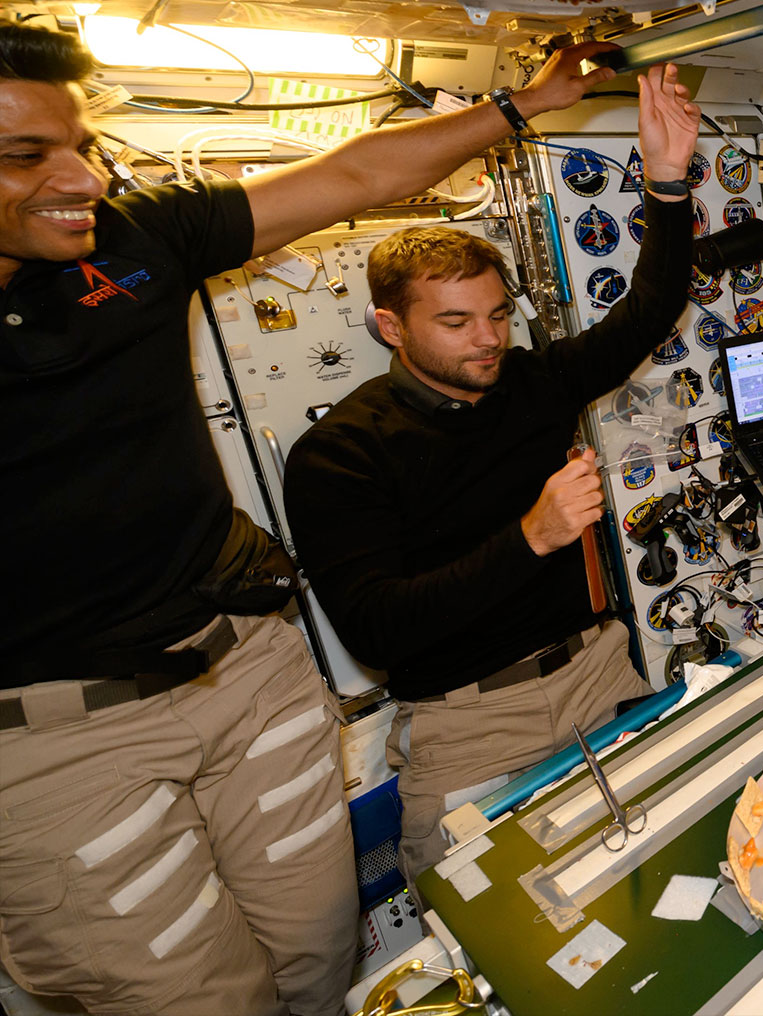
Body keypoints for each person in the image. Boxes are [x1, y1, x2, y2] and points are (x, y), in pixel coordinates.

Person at [0, 19, 615, 1013]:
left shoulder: (134, 241)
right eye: (26, 156)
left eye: (83, 146)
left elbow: (353, 177)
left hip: (244, 668)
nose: (80, 181)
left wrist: (521, 105)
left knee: (321, 961)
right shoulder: (351, 453)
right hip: (59, 736)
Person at [283, 64, 699, 886]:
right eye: (456, 321)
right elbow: (377, 631)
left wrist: (668, 180)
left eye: (499, 316)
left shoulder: (528, 384)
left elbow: (646, 313)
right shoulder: (342, 453)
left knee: (645, 884)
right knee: (486, 921)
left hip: (593, 676)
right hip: (468, 720)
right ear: (390, 325)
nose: (487, 339)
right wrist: (531, 537)